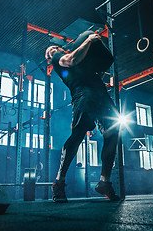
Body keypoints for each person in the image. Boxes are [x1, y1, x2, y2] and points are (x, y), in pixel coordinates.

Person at [45, 30, 120, 203]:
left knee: (113, 133)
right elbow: (71, 60)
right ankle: (59, 183)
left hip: (101, 95)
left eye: (56, 46)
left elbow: (95, 71)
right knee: (78, 135)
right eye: (51, 49)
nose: (55, 48)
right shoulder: (58, 58)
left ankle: (104, 182)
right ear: (50, 57)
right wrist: (89, 39)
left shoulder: (78, 58)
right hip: (84, 95)